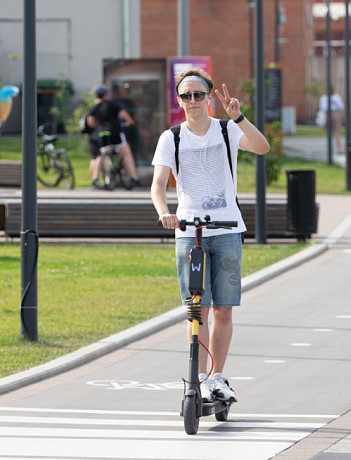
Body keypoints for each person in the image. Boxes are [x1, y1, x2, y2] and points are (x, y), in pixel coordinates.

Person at [150, 68, 269, 403]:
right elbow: (158, 186)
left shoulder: (227, 130)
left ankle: (217, 377)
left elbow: (262, 147)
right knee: (196, 310)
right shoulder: (171, 138)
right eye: (185, 96)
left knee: (224, 309)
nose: (192, 102)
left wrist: (240, 117)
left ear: (209, 96)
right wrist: (165, 214)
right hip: (189, 234)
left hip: (227, 230)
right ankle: (199, 379)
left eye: (198, 95)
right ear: (178, 100)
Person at [86, 85, 141, 189]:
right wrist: (129, 121)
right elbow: (123, 114)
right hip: (115, 131)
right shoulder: (112, 104)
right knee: (126, 153)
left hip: (102, 133)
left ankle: (95, 179)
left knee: (101, 155)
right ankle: (134, 178)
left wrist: (99, 125)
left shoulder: (94, 107)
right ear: (106, 94)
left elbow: (91, 122)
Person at [318, 88, 344, 154]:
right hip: (334, 113)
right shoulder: (335, 97)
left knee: (333, 132)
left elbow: (322, 107)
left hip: (329, 113)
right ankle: (338, 149)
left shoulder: (324, 97)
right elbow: (341, 106)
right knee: (336, 132)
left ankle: (335, 149)